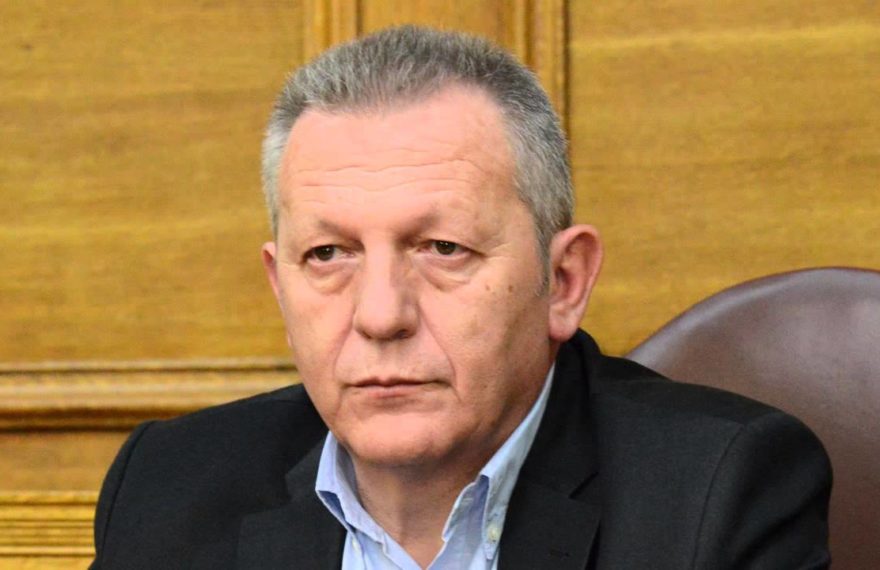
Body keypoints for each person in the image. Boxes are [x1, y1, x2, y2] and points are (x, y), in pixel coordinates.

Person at [90, 26, 831, 569]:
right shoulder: (169, 487)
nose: (381, 315)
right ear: (280, 287)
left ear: (564, 282)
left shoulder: (715, 494)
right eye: (328, 255)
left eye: (442, 249)